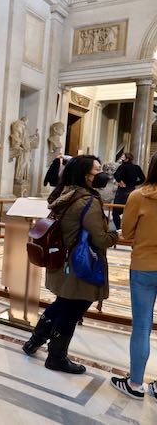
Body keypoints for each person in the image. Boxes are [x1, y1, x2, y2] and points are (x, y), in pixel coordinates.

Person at [22, 155, 118, 374]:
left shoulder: (64, 194)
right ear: (85, 174)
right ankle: (56, 357)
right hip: (80, 265)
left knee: (62, 304)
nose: (102, 174)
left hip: (62, 260)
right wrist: (116, 235)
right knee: (73, 310)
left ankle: (34, 342)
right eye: (97, 170)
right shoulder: (88, 201)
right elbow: (101, 238)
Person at [110, 153, 157, 400]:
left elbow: (126, 231)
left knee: (141, 326)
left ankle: (135, 383)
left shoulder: (139, 196)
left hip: (144, 265)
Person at [113, 152, 146, 229]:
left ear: (127, 159)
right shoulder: (137, 167)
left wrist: (120, 181)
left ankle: (119, 229)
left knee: (116, 212)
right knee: (129, 211)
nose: (121, 158)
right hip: (132, 190)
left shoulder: (122, 166)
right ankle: (128, 228)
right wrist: (134, 183)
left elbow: (116, 175)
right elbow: (143, 179)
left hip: (122, 191)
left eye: (123, 157)